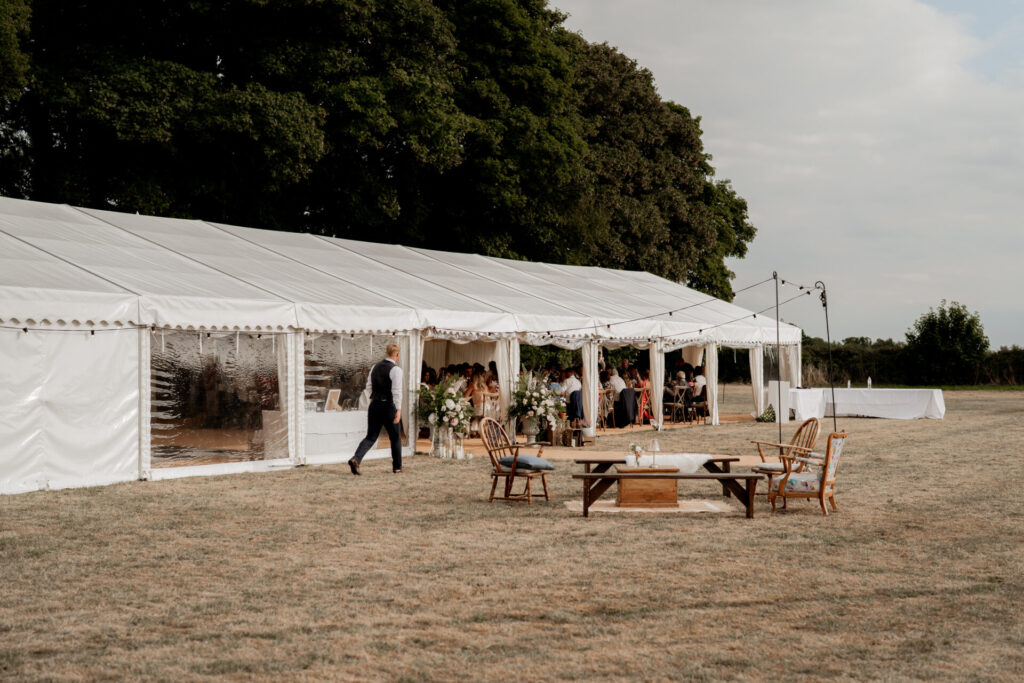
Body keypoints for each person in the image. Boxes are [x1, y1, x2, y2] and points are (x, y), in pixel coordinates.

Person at [348, 343, 404, 475]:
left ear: (386, 353)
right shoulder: (396, 370)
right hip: (388, 405)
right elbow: (397, 392)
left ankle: (356, 458)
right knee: (395, 437)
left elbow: (368, 387)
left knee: (371, 436)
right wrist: (399, 410)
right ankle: (397, 467)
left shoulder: (374, 367)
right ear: (397, 355)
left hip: (374, 405)